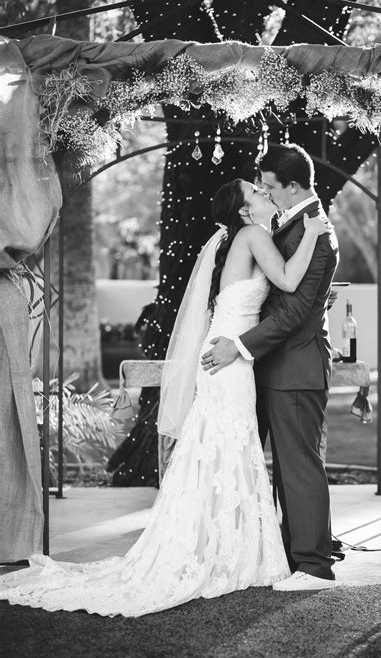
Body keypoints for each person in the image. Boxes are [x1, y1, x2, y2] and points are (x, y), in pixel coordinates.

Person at [0, 177, 329, 617]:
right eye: (257, 192)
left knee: (222, 452)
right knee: (228, 451)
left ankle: (227, 549)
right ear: (245, 211)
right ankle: (228, 553)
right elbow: (289, 282)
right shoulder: (253, 236)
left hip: (229, 358)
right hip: (228, 362)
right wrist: (311, 234)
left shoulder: (245, 238)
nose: (265, 194)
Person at [202, 144, 340, 591]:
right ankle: (284, 551)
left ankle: (315, 566)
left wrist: (239, 345)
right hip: (271, 366)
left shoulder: (316, 230)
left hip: (296, 366)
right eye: (259, 187)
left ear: (294, 187)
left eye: (270, 186)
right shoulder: (289, 224)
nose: (264, 191)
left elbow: (293, 312)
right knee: (278, 467)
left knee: (299, 466)